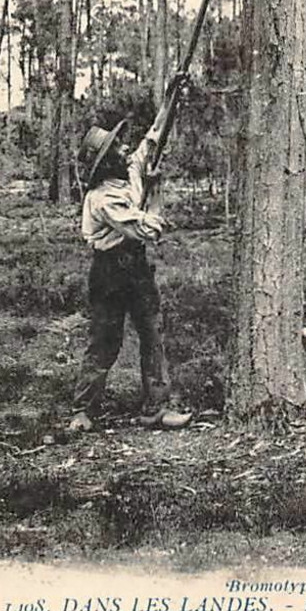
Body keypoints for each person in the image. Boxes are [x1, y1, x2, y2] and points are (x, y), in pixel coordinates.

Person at [69, 94, 192, 434]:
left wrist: (171, 98)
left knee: (152, 333)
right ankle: (83, 410)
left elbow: (153, 137)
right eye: (117, 150)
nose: (124, 151)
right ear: (106, 162)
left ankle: (156, 407)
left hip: (136, 269)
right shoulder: (102, 199)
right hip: (109, 272)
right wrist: (154, 194)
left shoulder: (128, 175)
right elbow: (147, 227)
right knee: (104, 342)